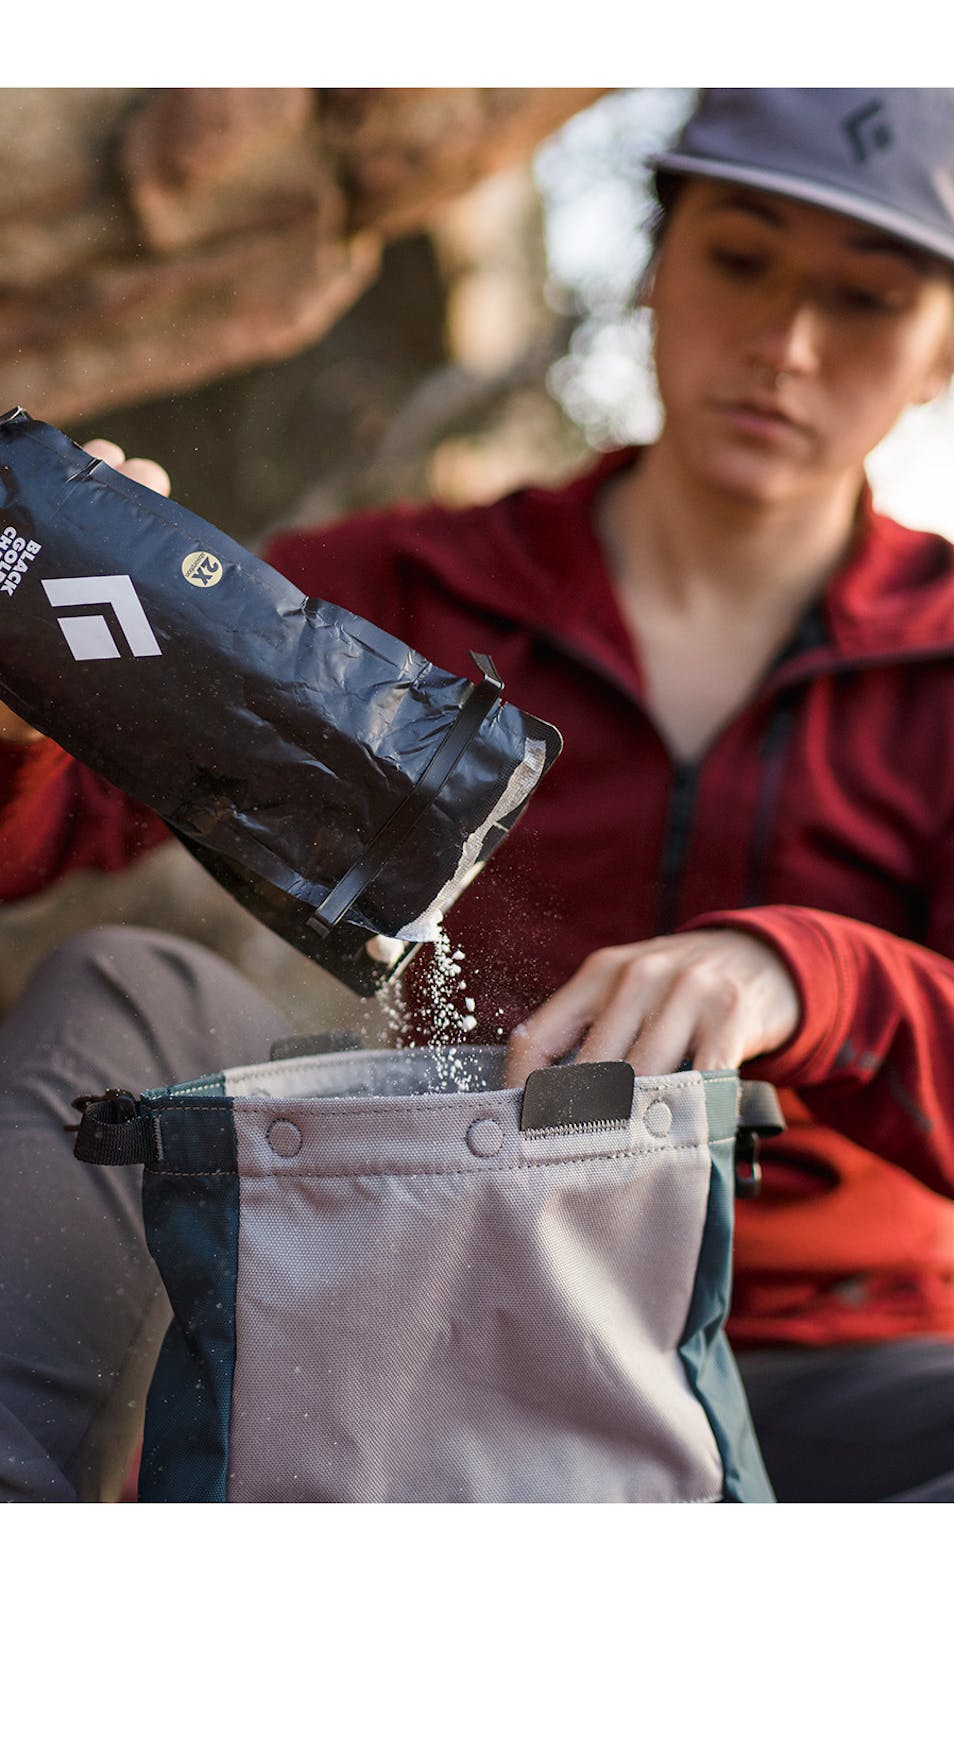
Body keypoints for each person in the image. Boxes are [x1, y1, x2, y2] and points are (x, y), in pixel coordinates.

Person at [4, 86, 954, 1501]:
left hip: (841, 1370)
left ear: (939, 352)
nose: (786, 347)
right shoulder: (410, 586)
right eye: (739, 261)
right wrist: (29, 723)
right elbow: (45, 839)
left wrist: (799, 973)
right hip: (426, 1291)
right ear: (651, 262)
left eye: (867, 300)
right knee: (130, 989)